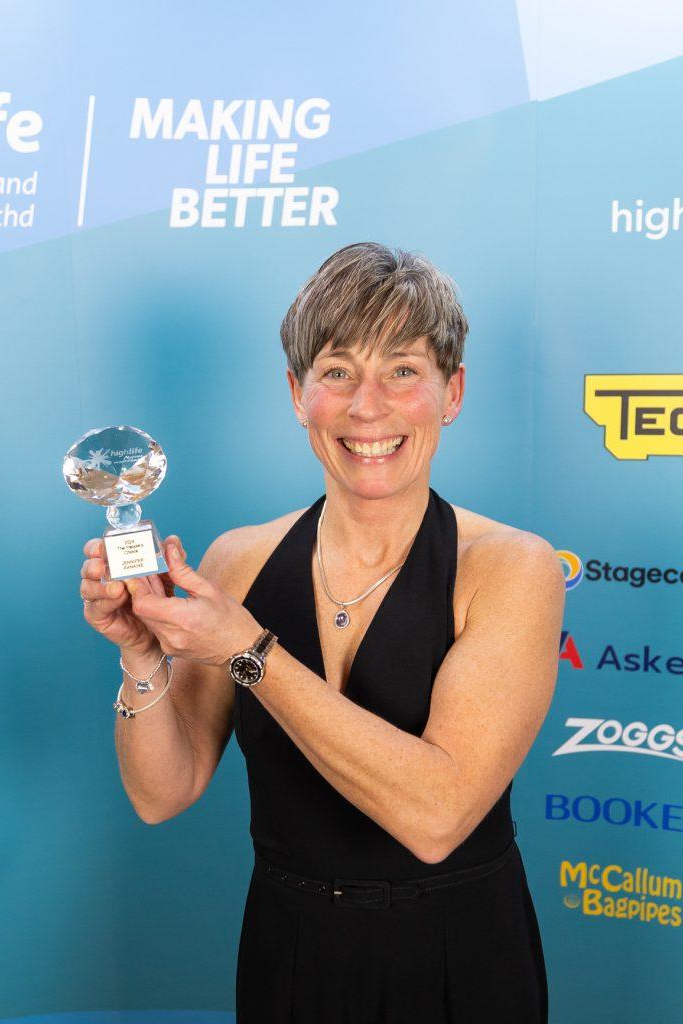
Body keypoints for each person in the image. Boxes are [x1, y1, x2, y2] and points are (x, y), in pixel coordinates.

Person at [80, 242, 561, 1022]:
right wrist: (142, 659)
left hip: (456, 957)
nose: (367, 406)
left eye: (402, 370)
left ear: (452, 392)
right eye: (337, 371)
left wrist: (248, 651)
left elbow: (437, 819)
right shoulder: (240, 559)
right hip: (289, 951)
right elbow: (161, 794)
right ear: (297, 394)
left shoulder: (510, 567)